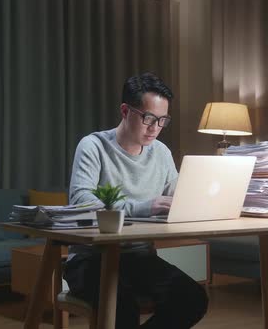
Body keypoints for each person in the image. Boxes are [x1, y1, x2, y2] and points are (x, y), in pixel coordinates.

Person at [65, 72, 208, 328]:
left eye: (163, 120)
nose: (155, 128)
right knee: (123, 306)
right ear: (124, 110)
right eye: (148, 118)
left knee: (193, 299)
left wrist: (200, 198)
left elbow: (177, 193)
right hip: (90, 260)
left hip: (139, 258)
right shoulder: (93, 146)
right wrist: (146, 206)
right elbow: (81, 201)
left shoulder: (161, 153)